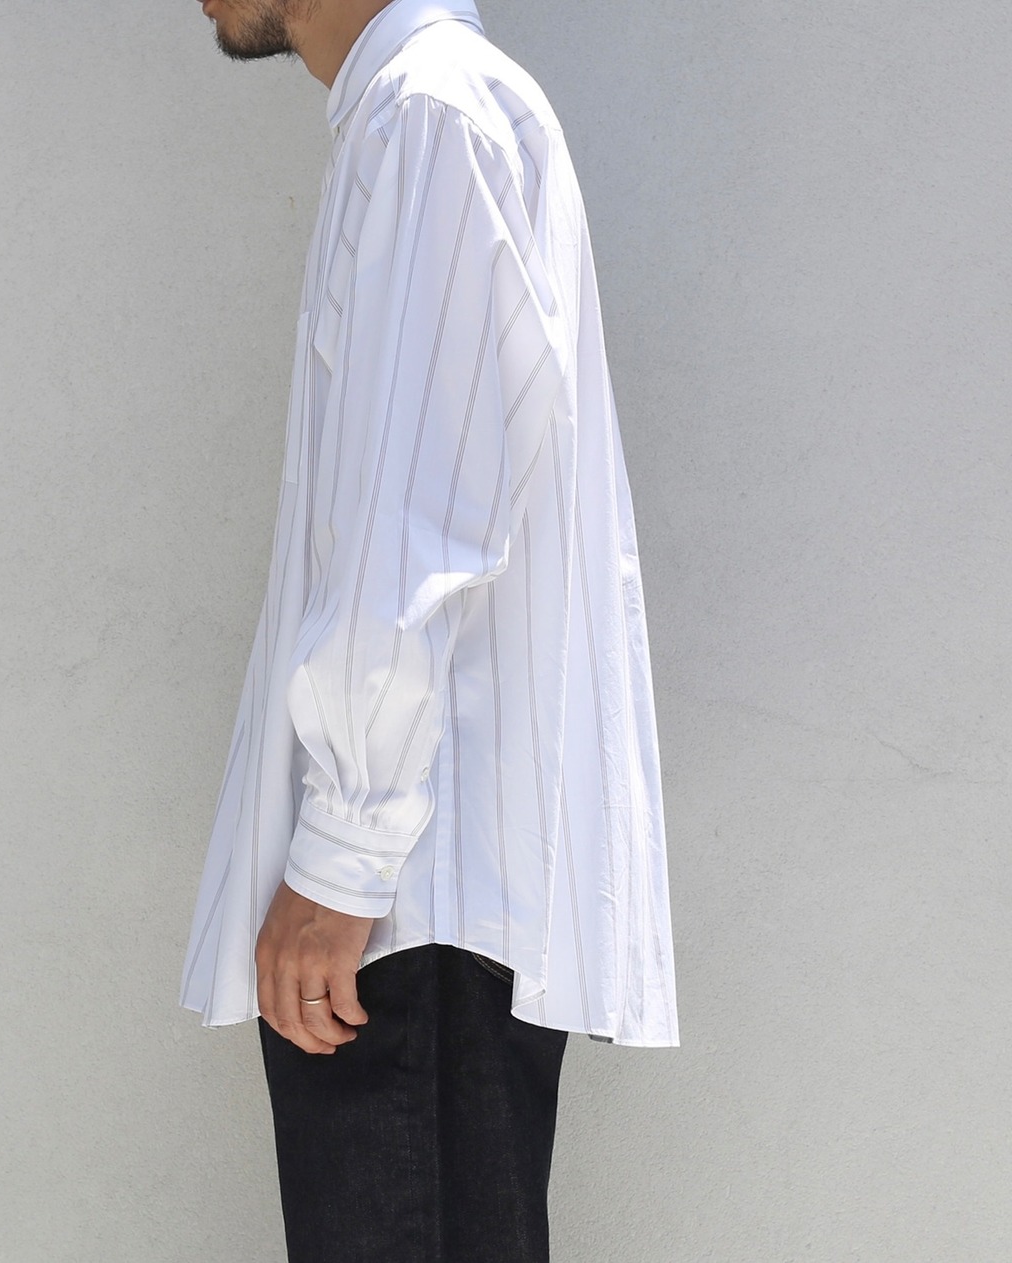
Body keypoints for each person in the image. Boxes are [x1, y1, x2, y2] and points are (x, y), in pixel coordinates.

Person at [179, 1, 681, 1259]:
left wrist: (341, 857)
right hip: (423, 899)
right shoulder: (422, 114)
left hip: (408, 904)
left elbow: (420, 522)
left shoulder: (426, 115)